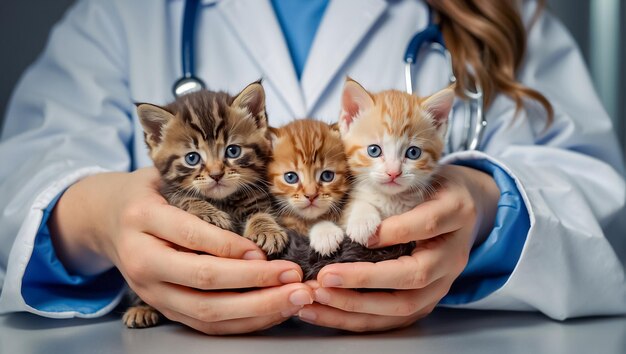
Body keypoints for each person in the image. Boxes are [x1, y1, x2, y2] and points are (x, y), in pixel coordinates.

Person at [0, 0, 624, 334]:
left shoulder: (499, 12)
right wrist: (89, 215)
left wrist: (491, 206)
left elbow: (595, 185)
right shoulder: (121, 14)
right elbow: (26, 162)